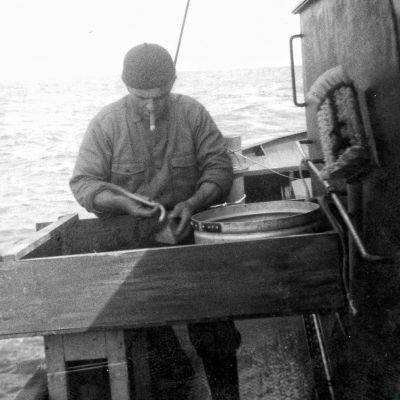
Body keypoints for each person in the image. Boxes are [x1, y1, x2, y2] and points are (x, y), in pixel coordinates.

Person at [70, 43, 241, 399]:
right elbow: (84, 184)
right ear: (125, 86)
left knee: (215, 330)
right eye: (140, 98)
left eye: (159, 97)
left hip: (190, 236)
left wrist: (193, 202)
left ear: (173, 83)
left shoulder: (193, 114)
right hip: (132, 241)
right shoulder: (105, 124)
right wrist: (121, 202)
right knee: (147, 334)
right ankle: (171, 368)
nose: (151, 106)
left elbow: (219, 168)